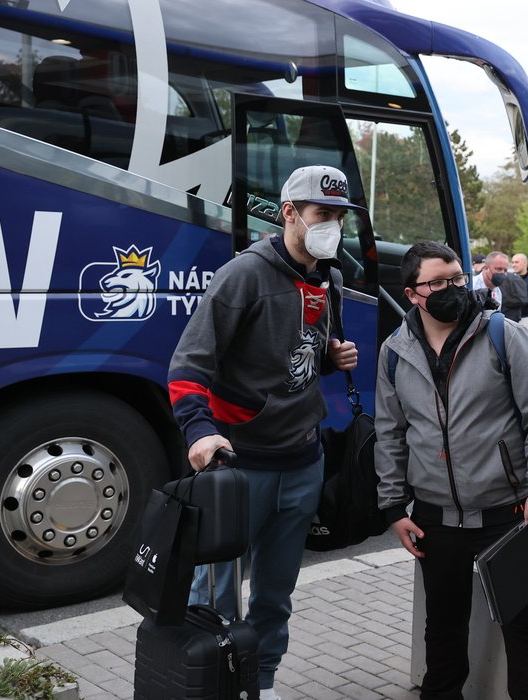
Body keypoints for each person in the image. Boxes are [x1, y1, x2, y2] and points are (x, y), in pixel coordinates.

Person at [168, 165, 359, 700]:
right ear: (289, 214)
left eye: (340, 218)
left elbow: (292, 359)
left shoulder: (330, 278)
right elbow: (187, 367)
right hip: (241, 468)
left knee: (276, 595)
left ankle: (262, 684)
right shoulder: (243, 276)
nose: (333, 227)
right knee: (216, 599)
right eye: (324, 215)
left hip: (302, 462)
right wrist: (199, 432)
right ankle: (217, 688)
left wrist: (329, 358)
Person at [375, 241, 528, 700]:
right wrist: (393, 507)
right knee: (441, 635)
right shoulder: (394, 352)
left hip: (507, 511)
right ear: (412, 293)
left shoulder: (502, 334)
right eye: (437, 282)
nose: (451, 289)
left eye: (457, 278)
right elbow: (389, 433)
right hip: (436, 520)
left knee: (527, 631)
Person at [473, 250, 527, 323]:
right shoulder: (472, 286)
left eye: (505, 270)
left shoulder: (497, 291)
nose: (502, 273)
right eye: (499, 269)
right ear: (486, 268)